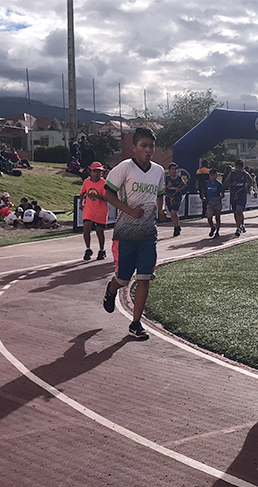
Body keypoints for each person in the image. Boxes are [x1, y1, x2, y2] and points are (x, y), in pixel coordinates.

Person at [99, 127, 166, 341]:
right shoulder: (124, 168)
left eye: (151, 146)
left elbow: (160, 194)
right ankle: (111, 290)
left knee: (144, 278)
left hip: (148, 233)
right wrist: (128, 210)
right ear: (134, 147)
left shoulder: (158, 171)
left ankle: (135, 323)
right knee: (123, 278)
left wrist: (161, 209)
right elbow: (107, 193)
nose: (148, 150)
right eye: (144, 146)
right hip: (126, 232)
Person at [80, 161, 109, 260]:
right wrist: (81, 204)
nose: (96, 174)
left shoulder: (104, 183)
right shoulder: (86, 182)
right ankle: (88, 249)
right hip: (89, 209)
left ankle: (102, 250)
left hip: (101, 210)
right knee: (86, 228)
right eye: (94, 171)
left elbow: (106, 197)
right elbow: (82, 193)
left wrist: (97, 196)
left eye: (98, 171)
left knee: (99, 231)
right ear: (90, 172)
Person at [226, 159, 249, 237]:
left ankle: (238, 228)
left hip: (241, 195)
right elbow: (225, 183)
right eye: (236, 167)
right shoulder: (231, 174)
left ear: (242, 168)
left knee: (239, 211)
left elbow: (250, 181)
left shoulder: (245, 174)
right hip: (233, 194)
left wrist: (247, 187)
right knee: (236, 212)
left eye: (239, 168)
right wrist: (231, 184)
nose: (238, 169)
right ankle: (241, 224)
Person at [163, 162, 187, 236]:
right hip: (169, 197)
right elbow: (162, 189)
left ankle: (176, 228)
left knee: (174, 212)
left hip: (176, 197)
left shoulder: (179, 178)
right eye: (172, 169)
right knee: (173, 214)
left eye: (175, 169)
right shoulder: (167, 178)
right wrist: (167, 186)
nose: (174, 171)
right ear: (169, 170)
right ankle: (177, 226)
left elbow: (184, 185)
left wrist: (179, 189)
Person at [205, 168, 225, 238]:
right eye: (211, 175)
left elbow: (223, 195)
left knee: (217, 217)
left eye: (213, 175)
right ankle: (212, 227)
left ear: (216, 176)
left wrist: (218, 198)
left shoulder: (219, 185)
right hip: (210, 203)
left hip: (217, 203)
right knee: (209, 216)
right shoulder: (207, 183)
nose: (212, 177)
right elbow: (203, 190)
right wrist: (203, 197)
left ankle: (217, 232)